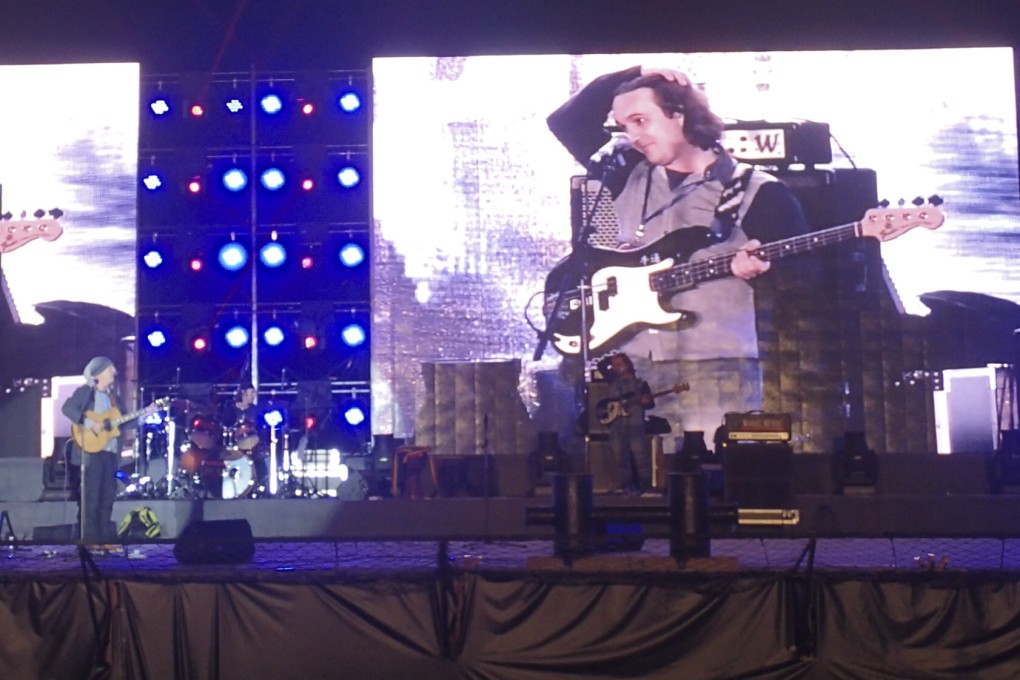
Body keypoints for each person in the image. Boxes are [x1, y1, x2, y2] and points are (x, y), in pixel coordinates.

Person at [547, 65, 811, 447]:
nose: (633, 136)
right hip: (629, 366)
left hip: (715, 368)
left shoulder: (760, 191)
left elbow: (807, 276)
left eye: (640, 120)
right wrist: (635, 72)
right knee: (628, 485)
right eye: (624, 126)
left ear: (680, 114)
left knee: (712, 480)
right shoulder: (626, 170)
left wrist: (760, 271)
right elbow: (565, 123)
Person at [62, 356, 156, 543]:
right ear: (99, 373)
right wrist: (90, 423)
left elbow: (123, 422)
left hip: (110, 453)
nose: (114, 371)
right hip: (91, 452)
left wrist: (146, 414)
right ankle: (90, 541)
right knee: (91, 498)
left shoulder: (114, 398)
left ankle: (104, 540)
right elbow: (68, 408)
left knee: (107, 497)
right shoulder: (86, 392)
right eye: (110, 369)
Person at [600, 353, 655, 494]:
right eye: (614, 365)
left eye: (619, 365)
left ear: (627, 365)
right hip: (616, 426)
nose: (616, 368)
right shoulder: (612, 379)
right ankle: (626, 488)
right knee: (620, 460)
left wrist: (646, 403)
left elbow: (650, 404)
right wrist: (611, 358)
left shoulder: (641, 384)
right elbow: (601, 365)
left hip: (635, 425)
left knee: (640, 458)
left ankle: (646, 488)